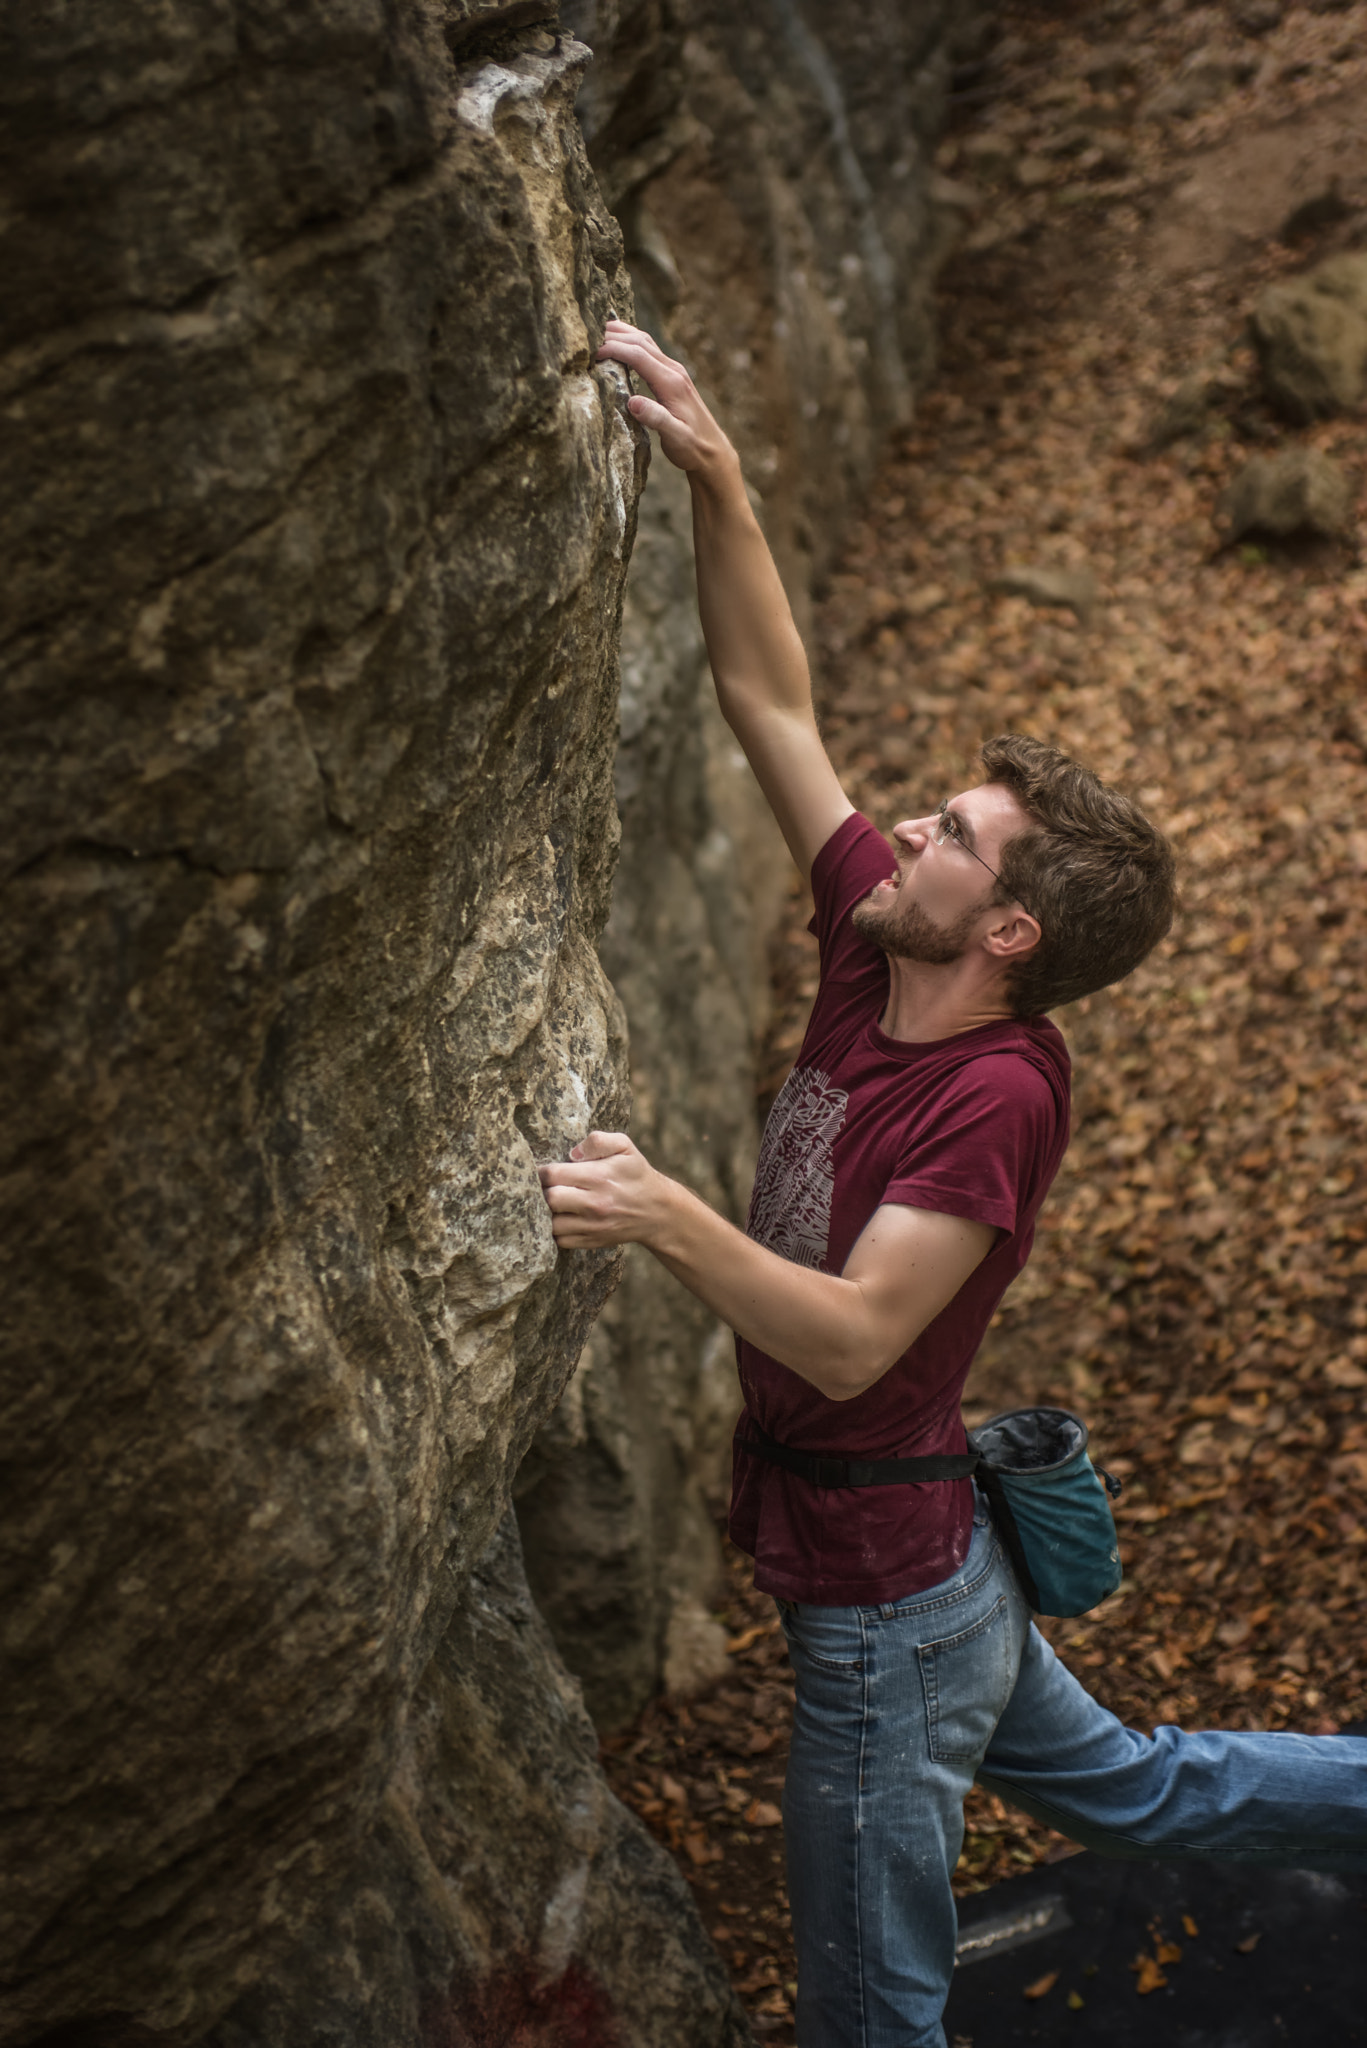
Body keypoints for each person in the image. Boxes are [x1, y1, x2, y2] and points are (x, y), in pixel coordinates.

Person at [538, 321, 1367, 2048]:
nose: (909, 826)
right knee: (1149, 1791)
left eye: (953, 836)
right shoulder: (875, 948)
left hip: (890, 1616)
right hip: (940, 1560)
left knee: (871, 2005)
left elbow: (849, 1344)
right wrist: (721, 476)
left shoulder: (990, 1093)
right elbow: (770, 698)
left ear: (1008, 933)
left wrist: (662, 1210)